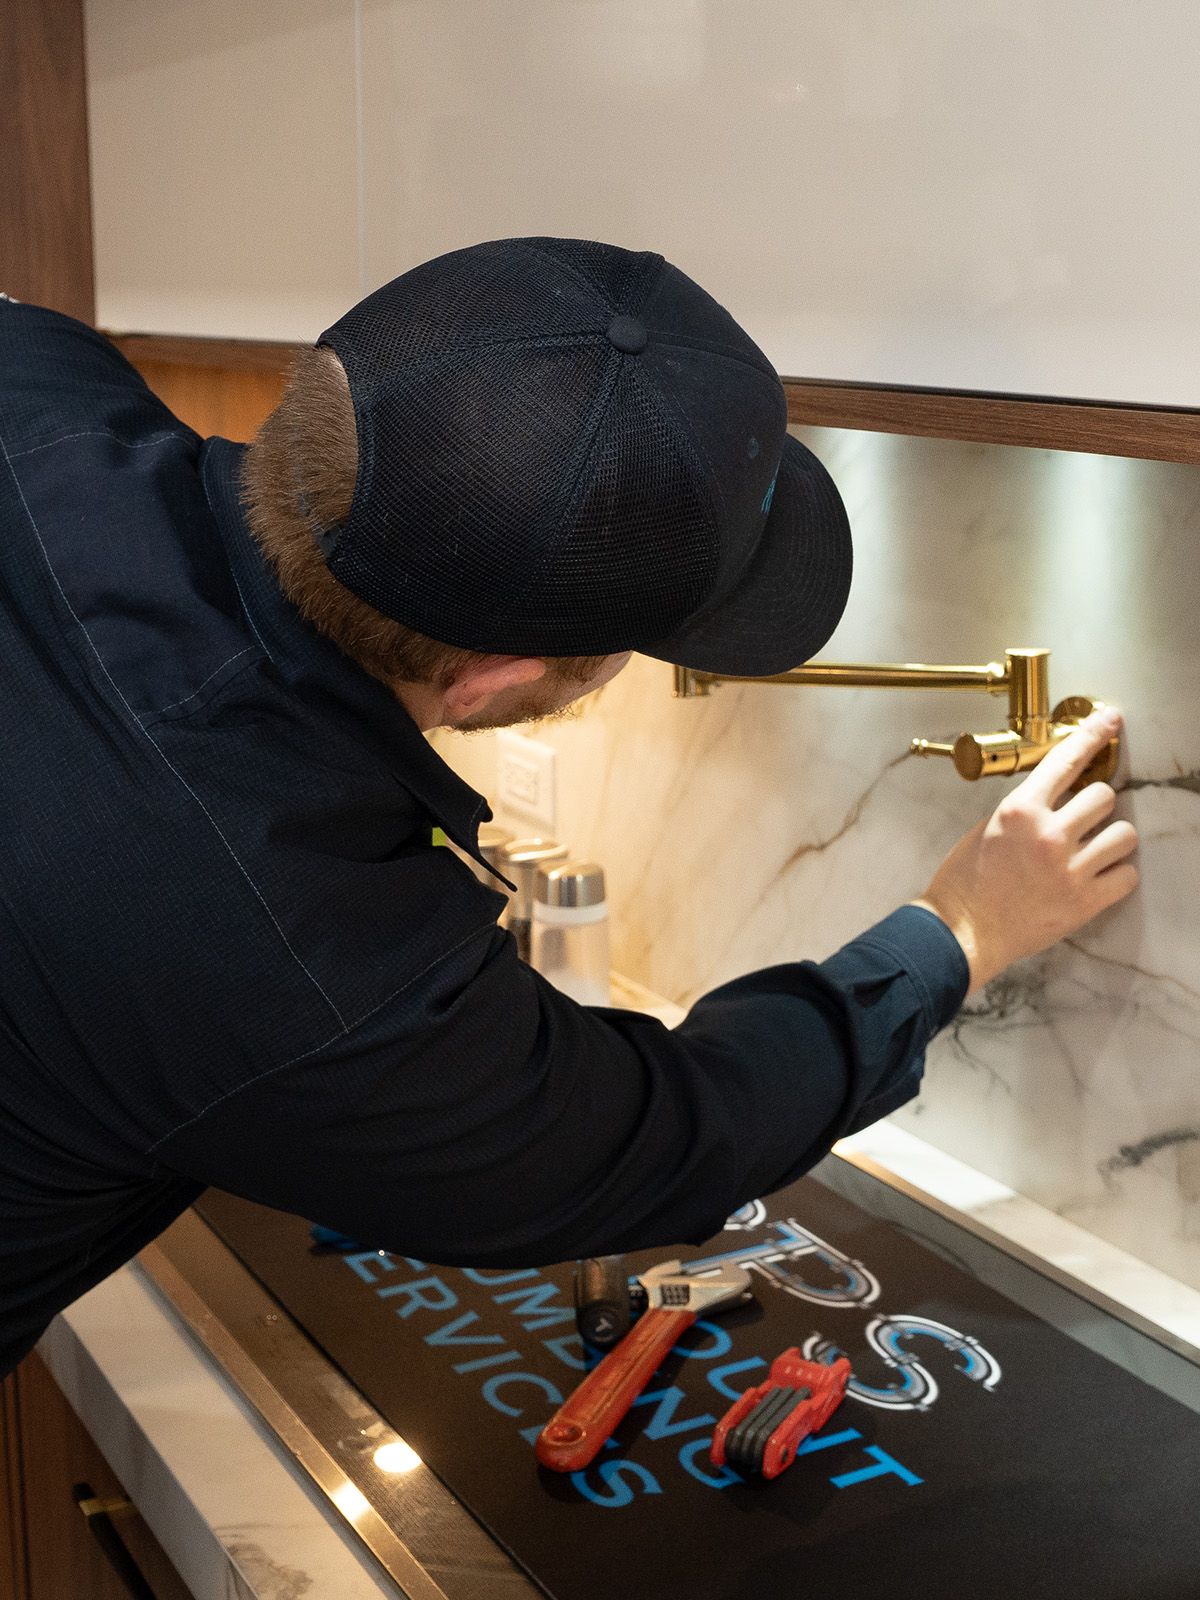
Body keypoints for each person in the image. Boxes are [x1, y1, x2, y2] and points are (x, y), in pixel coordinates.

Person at [0, 240, 1137, 1379]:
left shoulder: (37, 381)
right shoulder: (305, 957)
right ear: (498, 675)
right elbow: (660, 1133)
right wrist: (960, 931)